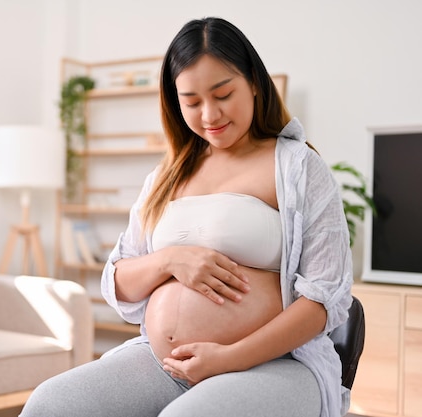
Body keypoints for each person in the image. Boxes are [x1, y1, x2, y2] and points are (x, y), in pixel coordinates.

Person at [20, 16, 353, 417]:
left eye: (223, 94)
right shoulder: (167, 174)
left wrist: (229, 356)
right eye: (192, 102)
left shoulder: (297, 167)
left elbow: (323, 300)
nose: (209, 114)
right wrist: (170, 260)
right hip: (165, 362)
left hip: (275, 364)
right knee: (50, 404)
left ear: (252, 82)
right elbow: (119, 280)